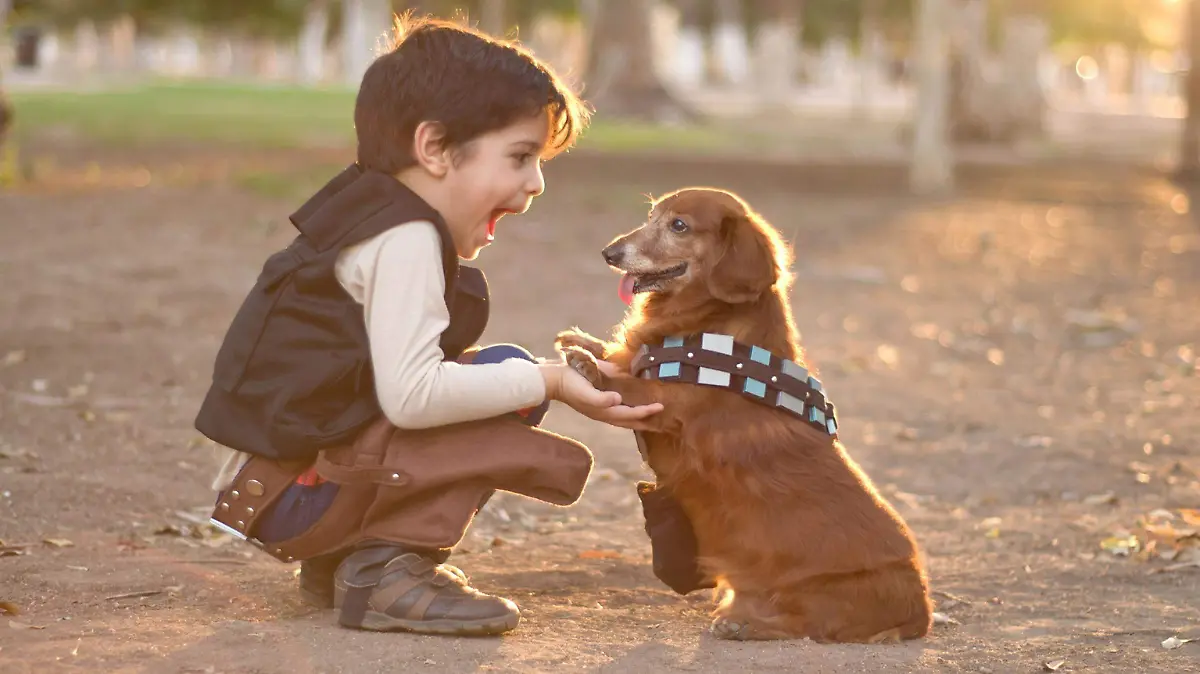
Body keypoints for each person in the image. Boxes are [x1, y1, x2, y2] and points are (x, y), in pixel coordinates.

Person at [193, 15, 662, 637]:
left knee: (496, 374)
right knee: (505, 379)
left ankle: (344, 561)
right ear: (435, 148)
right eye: (521, 156)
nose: (536, 183)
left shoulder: (369, 211)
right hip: (291, 501)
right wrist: (547, 381)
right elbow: (412, 398)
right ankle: (384, 572)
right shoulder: (405, 238)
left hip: (279, 489)